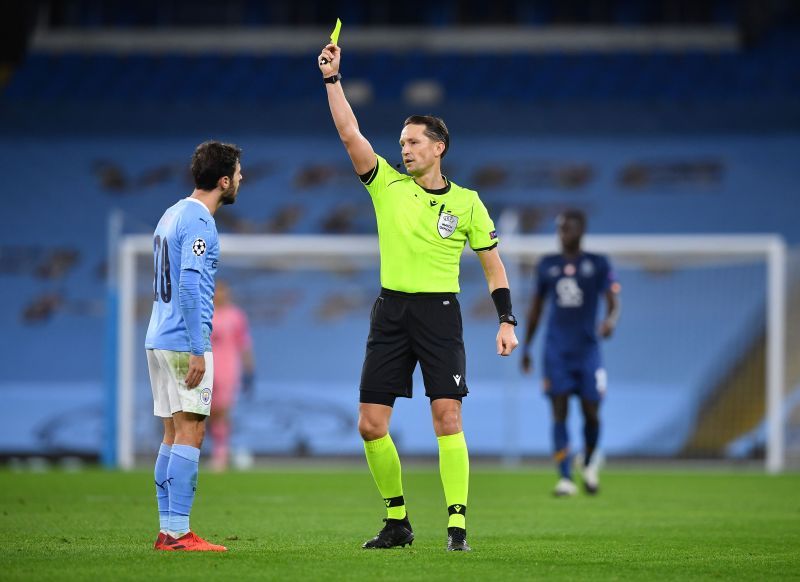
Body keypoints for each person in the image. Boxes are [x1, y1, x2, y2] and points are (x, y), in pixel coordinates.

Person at [318, 42, 519, 552]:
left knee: (447, 415)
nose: (402, 148)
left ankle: (457, 527)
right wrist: (332, 80)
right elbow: (349, 133)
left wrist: (506, 320)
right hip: (391, 312)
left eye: (412, 142)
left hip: (440, 314)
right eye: (401, 141)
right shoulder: (385, 184)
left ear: (438, 148)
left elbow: (492, 264)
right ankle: (397, 522)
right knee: (369, 424)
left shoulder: (468, 203)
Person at [145, 140, 243, 551]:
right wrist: (200, 346)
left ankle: (169, 530)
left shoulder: (171, 214)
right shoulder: (201, 222)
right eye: (238, 172)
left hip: (157, 336)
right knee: (191, 430)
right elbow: (188, 283)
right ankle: (180, 533)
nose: (241, 178)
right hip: (184, 341)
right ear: (223, 180)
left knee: (171, 433)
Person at [520, 209, 621, 496]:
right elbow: (536, 308)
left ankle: (588, 462)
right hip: (556, 352)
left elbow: (613, 301)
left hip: (588, 351)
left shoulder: (598, 263)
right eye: (562, 228)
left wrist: (610, 322)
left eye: (571, 228)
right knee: (559, 411)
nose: (566, 233)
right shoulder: (547, 265)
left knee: (592, 412)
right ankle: (564, 477)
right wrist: (527, 346)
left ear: (582, 230)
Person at [209, 280, 255, 471]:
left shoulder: (236, 316)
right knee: (207, 412)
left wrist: (249, 370)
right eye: (217, 291)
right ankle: (214, 450)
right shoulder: (204, 312)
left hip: (228, 369)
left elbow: (244, 344)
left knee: (223, 411)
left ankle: (221, 454)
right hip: (205, 368)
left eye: (223, 291)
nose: (220, 294)